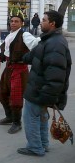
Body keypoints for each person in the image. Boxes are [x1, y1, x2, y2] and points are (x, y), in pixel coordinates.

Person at [17, 10, 72, 156]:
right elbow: (33, 56)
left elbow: (56, 76)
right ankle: (43, 144)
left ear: (52, 24)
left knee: (31, 120)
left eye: (44, 20)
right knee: (41, 119)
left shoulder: (55, 44)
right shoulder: (48, 40)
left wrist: (45, 96)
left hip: (39, 91)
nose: (41, 22)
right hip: (39, 89)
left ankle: (35, 147)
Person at [0, 8, 40, 134]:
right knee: (3, 93)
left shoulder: (25, 35)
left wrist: (44, 38)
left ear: (22, 23)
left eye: (16, 21)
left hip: (19, 69)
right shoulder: (10, 35)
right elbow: (4, 49)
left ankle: (17, 123)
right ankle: (10, 117)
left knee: (15, 97)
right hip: (9, 69)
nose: (13, 23)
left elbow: (35, 43)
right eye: (12, 21)